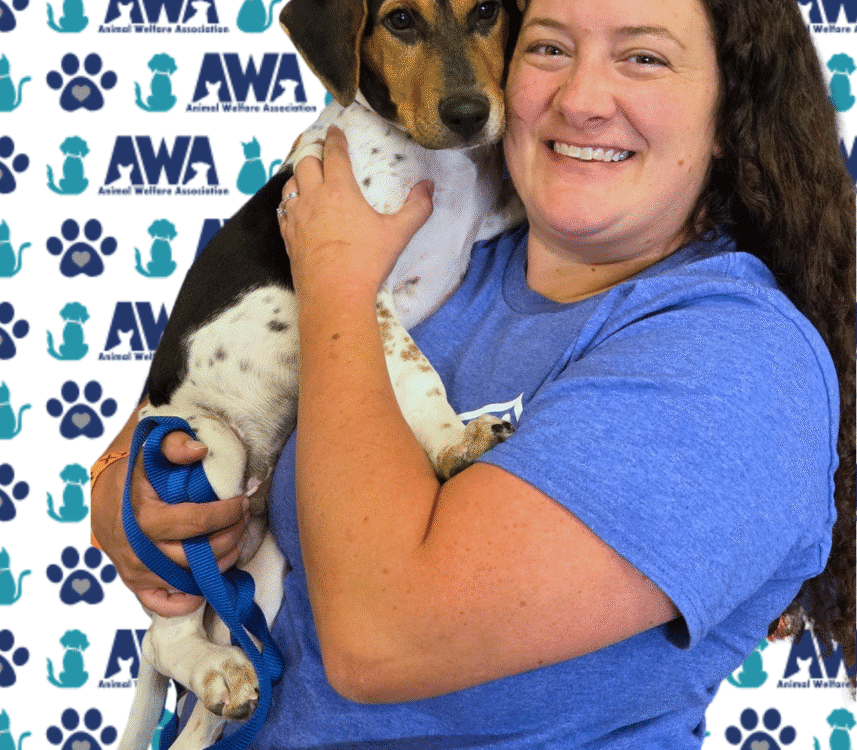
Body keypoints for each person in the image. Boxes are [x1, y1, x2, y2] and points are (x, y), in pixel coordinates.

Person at [91, 0, 856, 745]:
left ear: (732, 110)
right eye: (550, 47)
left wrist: (336, 282)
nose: (581, 98)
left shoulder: (732, 365)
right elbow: (197, 386)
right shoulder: (450, 244)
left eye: (643, 58)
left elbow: (381, 638)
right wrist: (129, 492)